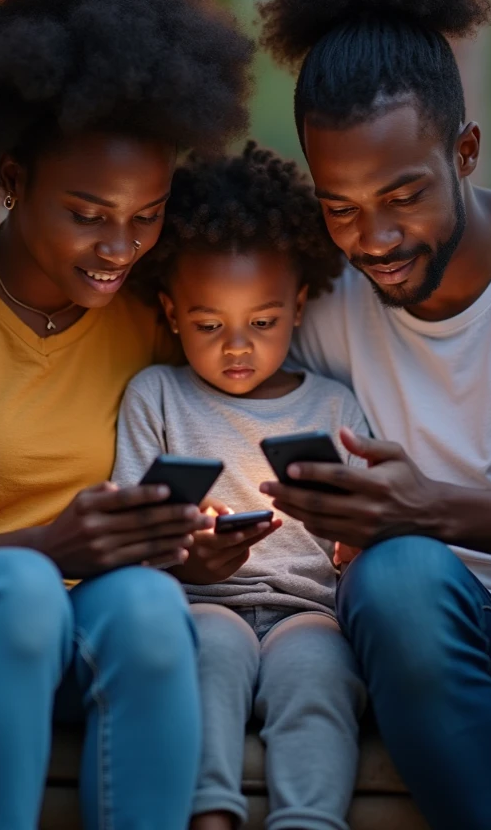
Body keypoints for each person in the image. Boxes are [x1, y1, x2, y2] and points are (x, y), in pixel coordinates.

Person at [0, 0, 253, 830]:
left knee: (146, 603)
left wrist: (192, 547)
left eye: (146, 217)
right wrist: (42, 550)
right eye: (88, 214)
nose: (120, 249)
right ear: (13, 176)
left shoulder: (147, 314)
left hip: (81, 619)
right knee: (20, 593)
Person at [256, 0, 491, 830]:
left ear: (465, 150)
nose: (375, 239)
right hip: (446, 644)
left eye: (403, 194)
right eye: (341, 207)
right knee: (394, 576)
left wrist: (430, 508)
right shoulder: (320, 302)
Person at [113, 143, 368, 830]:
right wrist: (182, 550)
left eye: (261, 323)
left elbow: (366, 532)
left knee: (318, 678)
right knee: (209, 658)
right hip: (197, 605)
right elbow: (128, 538)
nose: (235, 347)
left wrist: (347, 536)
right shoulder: (156, 396)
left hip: (305, 611)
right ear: (169, 312)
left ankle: (308, 822)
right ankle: (209, 817)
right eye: (207, 325)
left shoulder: (336, 408)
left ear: (298, 305)